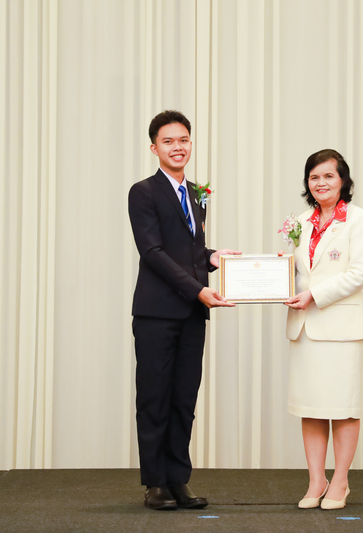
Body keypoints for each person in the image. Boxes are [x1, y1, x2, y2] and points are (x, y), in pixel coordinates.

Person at [128, 110, 240, 510]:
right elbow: (153, 252)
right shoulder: (143, 192)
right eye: (169, 141)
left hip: (192, 314)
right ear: (154, 147)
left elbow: (188, 249)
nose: (178, 147)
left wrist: (213, 256)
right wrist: (198, 290)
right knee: (154, 399)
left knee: (184, 400)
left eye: (184, 140)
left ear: (191, 143)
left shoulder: (198, 193)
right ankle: (155, 483)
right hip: (157, 314)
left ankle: (178, 480)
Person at [284, 149, 363, 510]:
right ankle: (315, 481)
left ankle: (340, 481)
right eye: (314, 177)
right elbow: (294, 272)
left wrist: (314, 295)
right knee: (311, 406)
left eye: (328, 176)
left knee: (343, 406)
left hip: (341, 328)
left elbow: (361, 273)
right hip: (305, 329)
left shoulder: (359, 220)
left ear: (343, 181)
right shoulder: (300, 223)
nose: (320, 183)